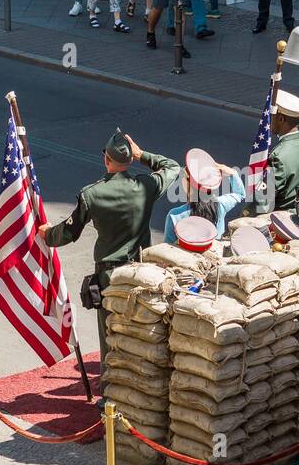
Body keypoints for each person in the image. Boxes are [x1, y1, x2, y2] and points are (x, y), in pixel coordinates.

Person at [38, 130, 180, 360]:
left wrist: (48, 234)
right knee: (141, 331)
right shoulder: (146, 185)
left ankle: (109, 389)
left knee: (110, 333)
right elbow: (172, 167)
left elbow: (69, 233)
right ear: (129, 159)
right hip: (141, 272)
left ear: (106, 159)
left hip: (109, 275)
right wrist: (142, 154)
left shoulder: (92, 194)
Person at [163, 149, 245, 246]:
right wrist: (232, 173)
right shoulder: (221, 205)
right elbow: (240, 194)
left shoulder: (175, 215)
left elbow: (168, 246)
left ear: (188, 183)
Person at [255, 91, 299, 214]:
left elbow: (263, 198)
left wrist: (246, 214)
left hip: (281, 214)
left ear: (281, 118)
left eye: (271, 116)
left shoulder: (279, 156)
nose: (268, 120)